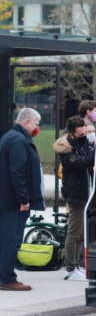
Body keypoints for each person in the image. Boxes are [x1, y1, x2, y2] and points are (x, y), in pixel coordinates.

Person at [0, 108, 45, 291]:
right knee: (12, 240)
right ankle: (7, 278)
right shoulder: (19, 140)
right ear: (27, 122)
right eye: (36, 123)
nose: (37, 127)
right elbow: (17, 172)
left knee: (5, 239)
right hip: (14, 202)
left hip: (7, 199)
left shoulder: (9, 137)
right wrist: (24, 199)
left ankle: (4, 275)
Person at [53, 116, 95, 281]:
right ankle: (70, 268)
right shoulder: (67, 150)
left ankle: (77, 265)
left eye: (86, 132)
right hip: (76, 195)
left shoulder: (80, 144)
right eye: (81, 134)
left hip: (86, 193)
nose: (85, 135)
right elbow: (83, 163)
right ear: (71, 135)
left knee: (82, 234)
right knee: (74, 232)